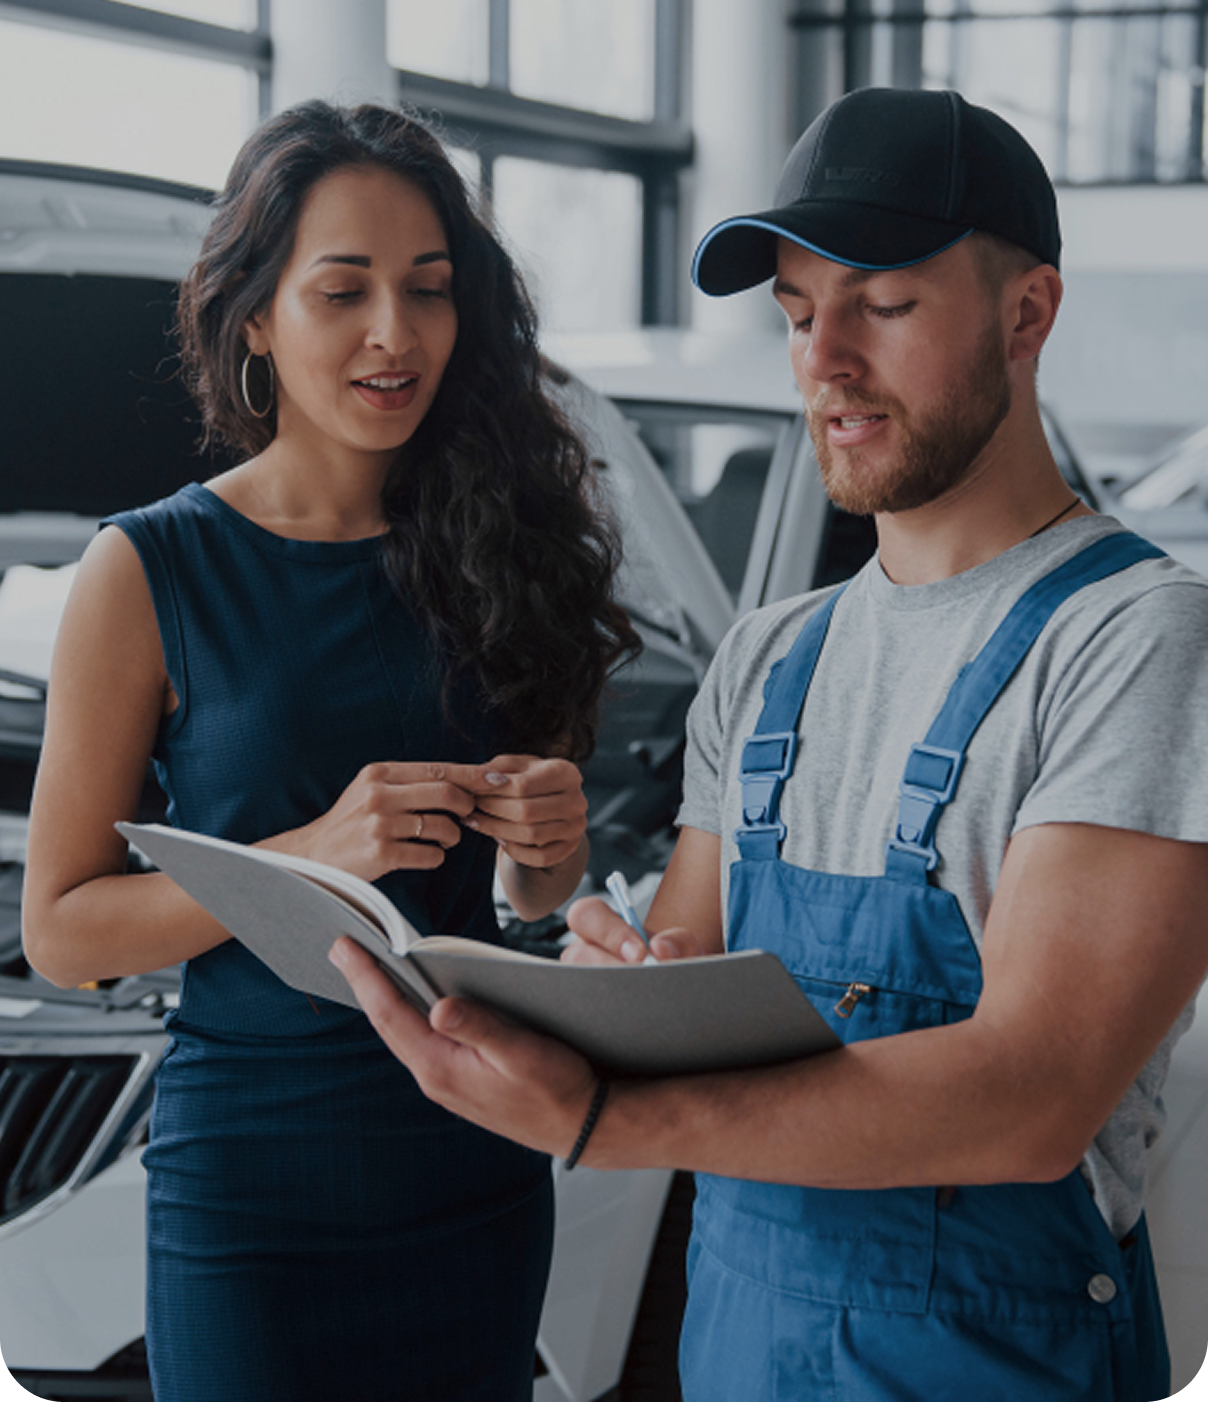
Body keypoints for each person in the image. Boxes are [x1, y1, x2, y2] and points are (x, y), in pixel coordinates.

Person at [331, 86, 1208, 1401]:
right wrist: (616, 981)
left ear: (1027, 313)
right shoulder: (767, 657)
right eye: (800, 315)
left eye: (885, 307)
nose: (824, 359)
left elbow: (1031, 1098)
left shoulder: (1136, 637)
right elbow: (692, 970)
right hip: (744, 1352)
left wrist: (605, 1115)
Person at [21, 99, 639, 1402]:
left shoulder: (501, 546)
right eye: (343, 290)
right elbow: (66, 931)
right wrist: (299, 857)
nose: (393, 334)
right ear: (254, 315)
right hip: (253, 1188)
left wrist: (549, 852)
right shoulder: (149, 569)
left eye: (429, 290)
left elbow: (523, 903)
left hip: (474, 1157)